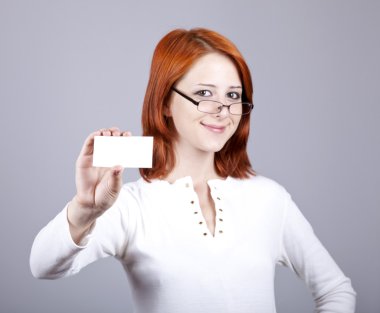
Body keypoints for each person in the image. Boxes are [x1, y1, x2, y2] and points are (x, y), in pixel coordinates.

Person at [30, 28, 356, 313]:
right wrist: (85, 210)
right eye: (204, 93)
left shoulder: (269, 198)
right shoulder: (130, 206)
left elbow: (336, 291)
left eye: (233, 96)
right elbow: (43, 265)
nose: (223, 110)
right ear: (165, 104)